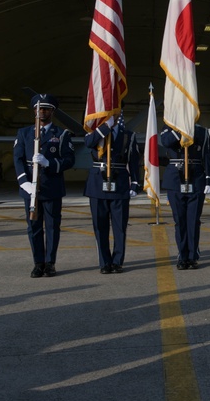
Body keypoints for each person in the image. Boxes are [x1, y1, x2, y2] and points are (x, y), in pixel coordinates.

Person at [14, 93, 75, 278]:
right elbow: (17, 158)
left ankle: (50, 263)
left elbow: (69, 159)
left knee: (52, 227)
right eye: (39, 109)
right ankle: (38, 263)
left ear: (52, 112)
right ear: (34, 111)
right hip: (30, 189)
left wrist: (49, 163)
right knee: (34, 227)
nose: (42, 112)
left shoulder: (62, 134)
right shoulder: (24, 133)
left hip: (52, 187)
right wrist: (24, 182)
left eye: (46, 109)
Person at [84, 112, 140, 274]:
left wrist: (135, 183)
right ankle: (104, 262)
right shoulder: (94, 131)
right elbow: (89, 143)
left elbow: (134, 160)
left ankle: (117, 262)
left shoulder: (128, 135)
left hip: (120, 183)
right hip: (97, 184)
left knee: (119, 226)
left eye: (116, 112)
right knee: (99, 227)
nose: (113, 115)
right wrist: (105, 127)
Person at [160, 124, 210, 270]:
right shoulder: (169, 128)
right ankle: (182, 255)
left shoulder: (202, 131)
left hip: (196, 178)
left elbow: (208, 154)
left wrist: (209, 179)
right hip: (175, 179)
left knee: (193, 220)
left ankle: (192, 256)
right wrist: (180, 131)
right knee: (180, 220)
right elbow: (166, 142)